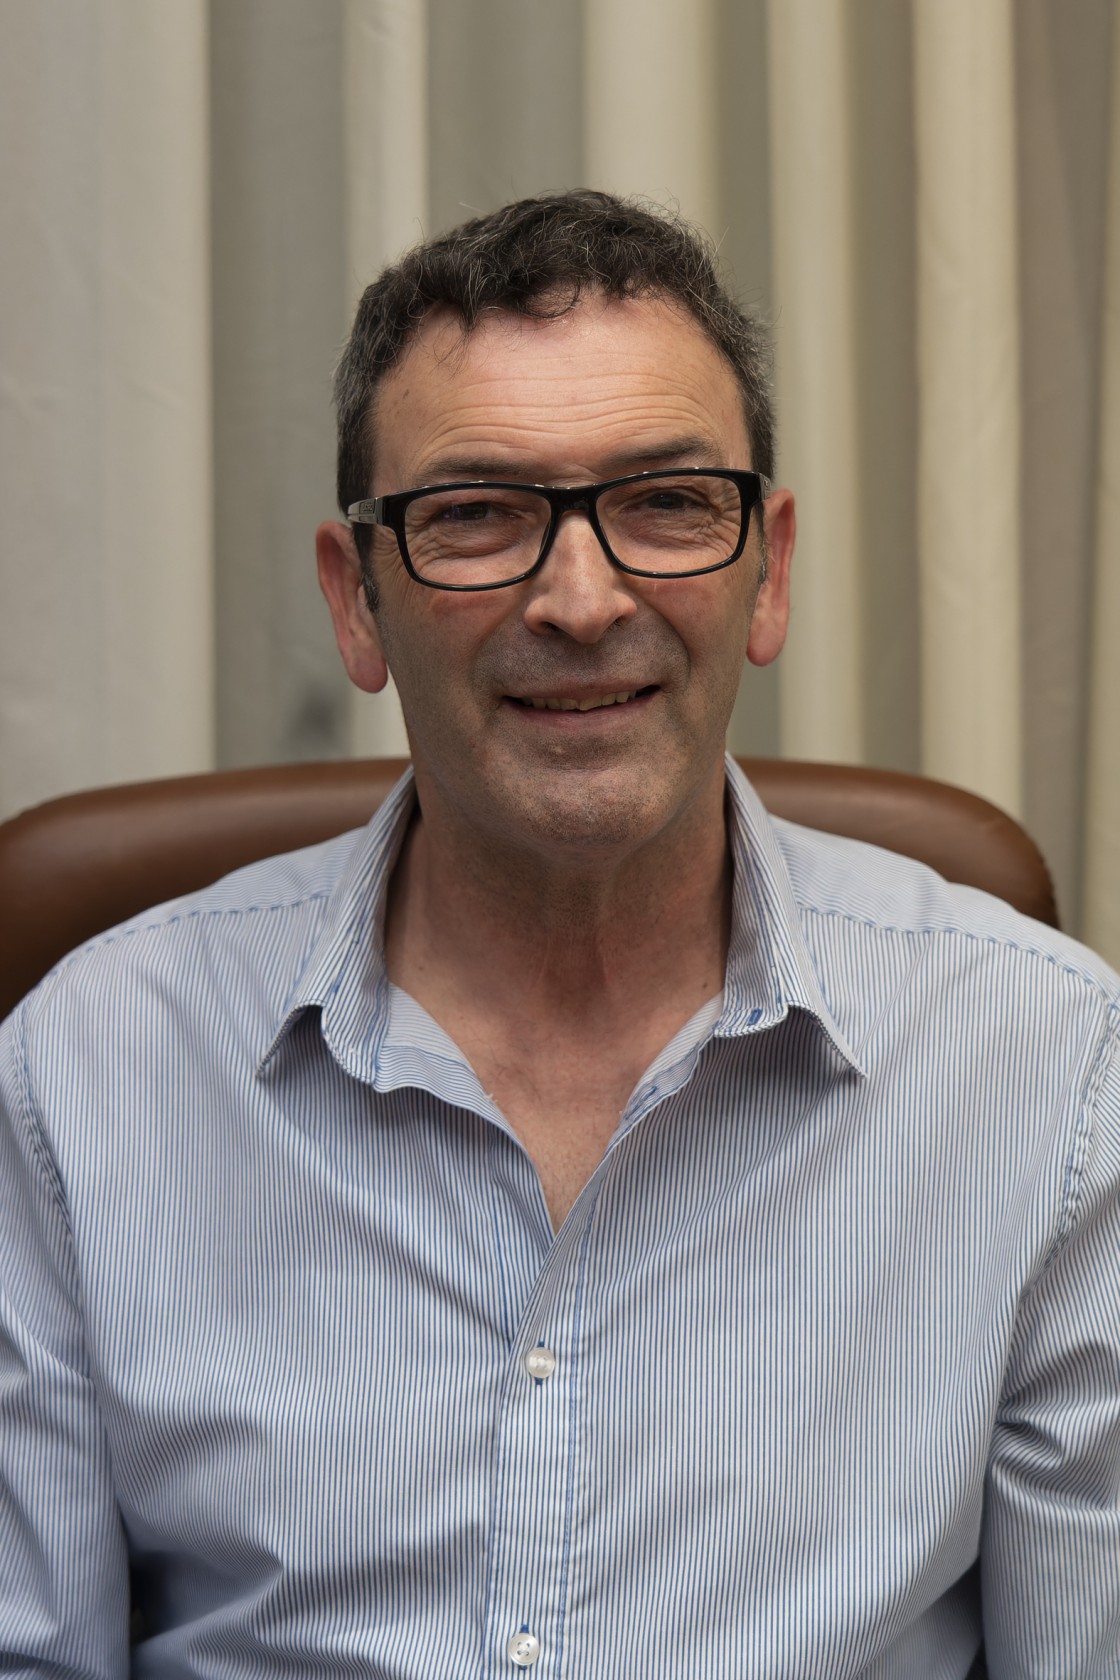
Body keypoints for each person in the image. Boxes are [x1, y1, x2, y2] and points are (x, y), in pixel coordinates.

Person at [0, 192, 1117, 1679]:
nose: (582, 601)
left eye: (668, 503)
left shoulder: (1049, 1069)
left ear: (771, 569)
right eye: (474, 515)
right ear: (357, 602)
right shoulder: (80, 1079)